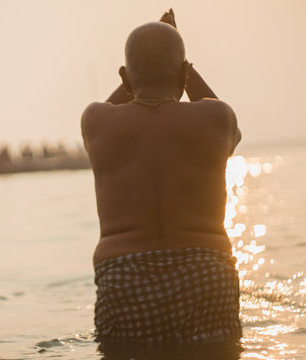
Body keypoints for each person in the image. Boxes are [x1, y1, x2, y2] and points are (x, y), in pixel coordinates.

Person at [81, 9, 242, 347]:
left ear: (125, 78)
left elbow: (112, 104)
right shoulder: (217, 117)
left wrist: (136, 75)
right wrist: (185, 67)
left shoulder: (96, 121)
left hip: (124, 277)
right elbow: (232, 132)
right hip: (206, 271)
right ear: (184, 72)